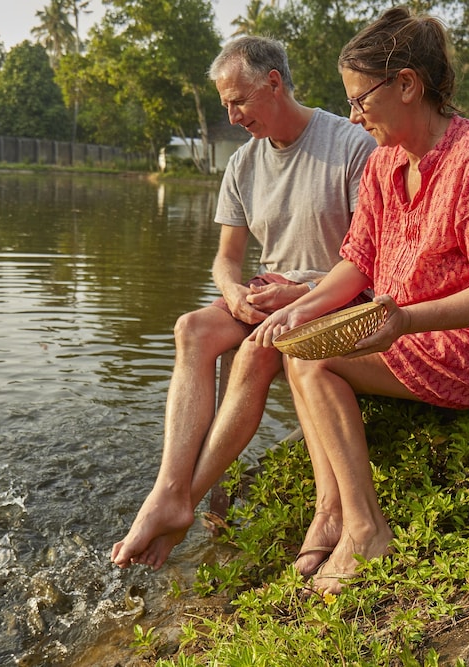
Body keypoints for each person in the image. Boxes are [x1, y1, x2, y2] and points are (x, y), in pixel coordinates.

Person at [250, 6, 469, 594]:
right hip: (416, 330)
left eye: (360, 100)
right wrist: (301, 307)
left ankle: (366, 530)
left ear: (408, 85)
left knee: (316, 364)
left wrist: (405, 319)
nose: (353, 116)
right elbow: (359, 260)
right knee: (300, 347)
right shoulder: (385, 162)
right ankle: (332, 511)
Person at [110, 36, 377, 570]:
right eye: (225, 104)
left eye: (238, 101)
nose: (232, 117)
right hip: (267, 292)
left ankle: (182, 503)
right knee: (190, 328)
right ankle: (169, 491)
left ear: (274, 83)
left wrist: (302, 295)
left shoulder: (350, 144)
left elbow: (373, 257)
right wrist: (232, 291)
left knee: (255, 352)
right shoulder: (243, 164)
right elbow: (226, 258)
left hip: (337, 294)